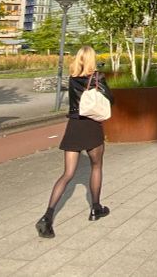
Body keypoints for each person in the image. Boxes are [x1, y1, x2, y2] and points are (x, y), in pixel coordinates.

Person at [36, 45, 114, 239]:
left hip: (73, 126)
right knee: (96, 166)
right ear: (92, 59)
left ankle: (47, 217)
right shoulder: (97, 77)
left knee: (67, 173)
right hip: (91, 126)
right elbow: (111, 99)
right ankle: (96, 208)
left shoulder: (72, 78)